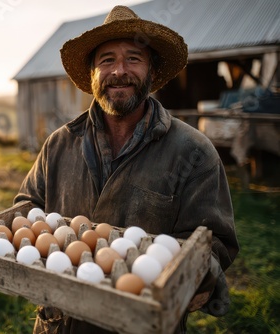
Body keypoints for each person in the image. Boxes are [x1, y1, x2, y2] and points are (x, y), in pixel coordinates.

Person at [14, 5, 239, 334]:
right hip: (61, 321)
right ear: (92, 74)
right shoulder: (59, 145)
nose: (119, 71)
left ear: (151, 70)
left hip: (143, 324)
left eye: (133, 58)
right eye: (107, 60)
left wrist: (193, 277)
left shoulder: (193, 152)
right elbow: (26, 208)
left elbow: (216, 242)